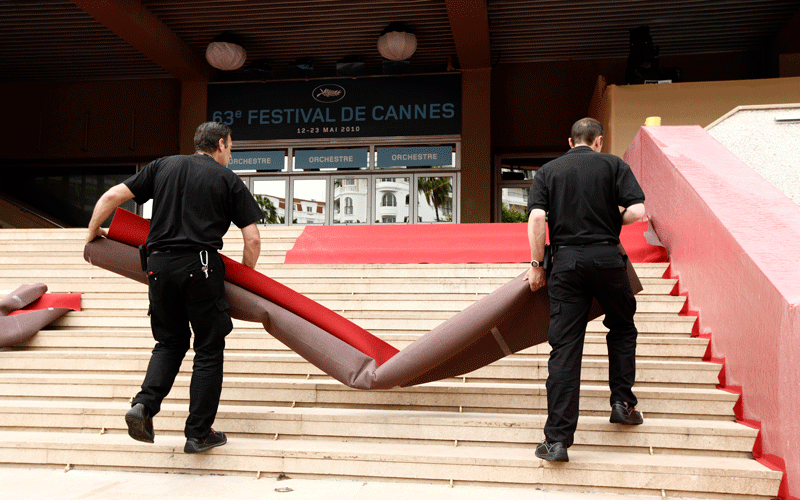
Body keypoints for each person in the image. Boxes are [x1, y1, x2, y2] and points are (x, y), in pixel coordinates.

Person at [85, 121, 262, 454]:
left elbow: (112, 196)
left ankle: (144, 406)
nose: (230, 156)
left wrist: (92, 232)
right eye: (231, 149)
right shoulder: (227, 179)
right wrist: (245, 279)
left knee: (169, 342)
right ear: (221, 145)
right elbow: (252, 239)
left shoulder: (162, 166)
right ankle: (198, 434)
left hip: (158, 267)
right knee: (208, 348)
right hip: (201, 267)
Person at [524, 117, 646, 462]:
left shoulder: (550, 171)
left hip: (567, 264)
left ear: (570, 140)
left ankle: (558, 440)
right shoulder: (613, 165)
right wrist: (612, 219)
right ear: (598, 141)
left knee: (565, 348)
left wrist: (537, 266)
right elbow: (637, 210)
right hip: (609, 258)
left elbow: (536, 219)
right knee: (622, 328)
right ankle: (622, 404)